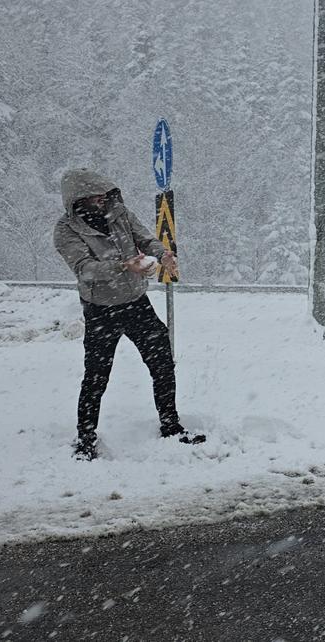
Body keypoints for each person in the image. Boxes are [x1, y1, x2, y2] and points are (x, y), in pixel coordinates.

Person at [54, 168, 204, 461]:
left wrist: (163, 255)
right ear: (77, 200)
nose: (101, 199)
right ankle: (85, 440)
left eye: (103, 193)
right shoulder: (66, 230)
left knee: (162, 362)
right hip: (100, 311)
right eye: (93, 195)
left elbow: (146, 239)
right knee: (97, 376)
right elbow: (84, 268)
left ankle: (170, 425)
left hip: (136, 303)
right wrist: (123, 266)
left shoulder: (119, 213)